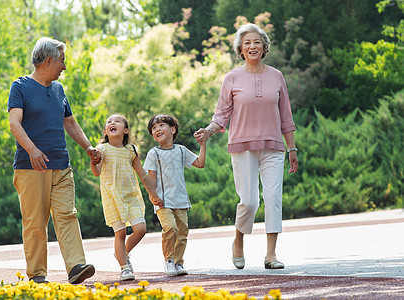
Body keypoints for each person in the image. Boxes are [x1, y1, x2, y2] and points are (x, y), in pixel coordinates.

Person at [194, 23, 298, 270]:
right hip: (242, 146)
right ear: (240, 48)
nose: (252, 46)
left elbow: (286, 116)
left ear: (264, 47)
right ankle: (238, 240)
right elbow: (221, 115)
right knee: (250, 201)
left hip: (273, 146)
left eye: (257, 42)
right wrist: (208, 132)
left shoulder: (277, 76)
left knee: (273, 198)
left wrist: (291, 149)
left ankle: (271, 255)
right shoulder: (232, 78)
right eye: (247, 42)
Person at [8, 37, 99, 284]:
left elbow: (69, 122)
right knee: (36, 223)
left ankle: (76, 266)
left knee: (67, 214)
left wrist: (89, 147)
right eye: (62, 61)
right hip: (31, 167)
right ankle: (37, 275)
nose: (64, 67)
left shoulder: (59, 90)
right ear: (48, 60)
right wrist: (32, 150)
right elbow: (14, 123)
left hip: (61, 164)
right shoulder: (20, 87)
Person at [90, 114, 163, 281]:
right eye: (109, 121)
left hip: (132, 195)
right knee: (120, 233)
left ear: (126, 130)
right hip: (112, 197)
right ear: (106, 131)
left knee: (141, 229)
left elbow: (142, 174)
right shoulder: (102, 149)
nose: (112, 123)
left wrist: (153, 194)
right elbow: (97, 172)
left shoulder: (131, 150)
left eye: (117, 121)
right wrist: (93, 161)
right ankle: (124, 267)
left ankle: (121, 252)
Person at [144, 114, 206, 276]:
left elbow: (200, 163)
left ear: (172, 129)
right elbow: (150, 178)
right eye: (153, 128)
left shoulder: (181, 150)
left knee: (182, 232)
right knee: (171, 228)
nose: (157, 129)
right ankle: (169, 260)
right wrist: (153, 196)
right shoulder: (153, 153)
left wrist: (203, 145)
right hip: (162, 201)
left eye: (160, 125)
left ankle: (179, 263)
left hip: (181, 200)